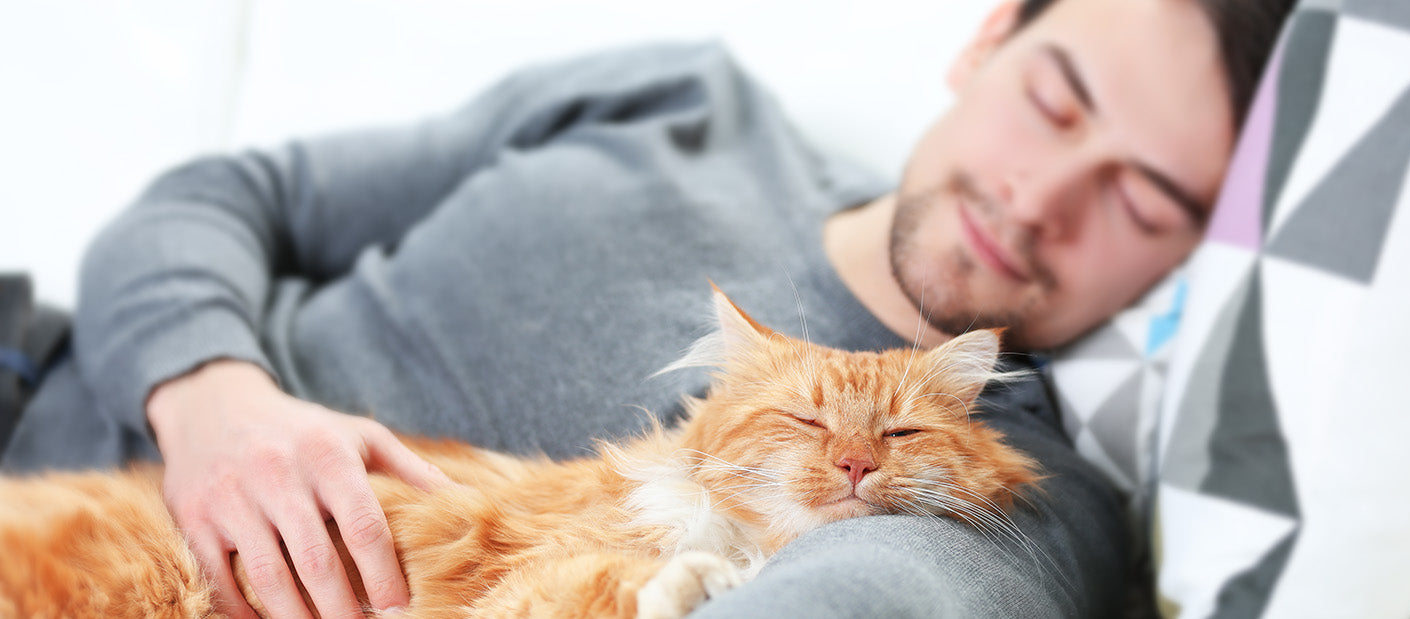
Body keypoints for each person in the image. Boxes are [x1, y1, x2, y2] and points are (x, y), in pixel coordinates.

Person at [1, 0, 1294, 616]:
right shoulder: (684, 97)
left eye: (1141, 195)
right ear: (990, 37)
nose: (1040, 197)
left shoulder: (1016, 491)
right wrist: (214, 401)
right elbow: (221, 197)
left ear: (1202, 249)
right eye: (1059, 101)